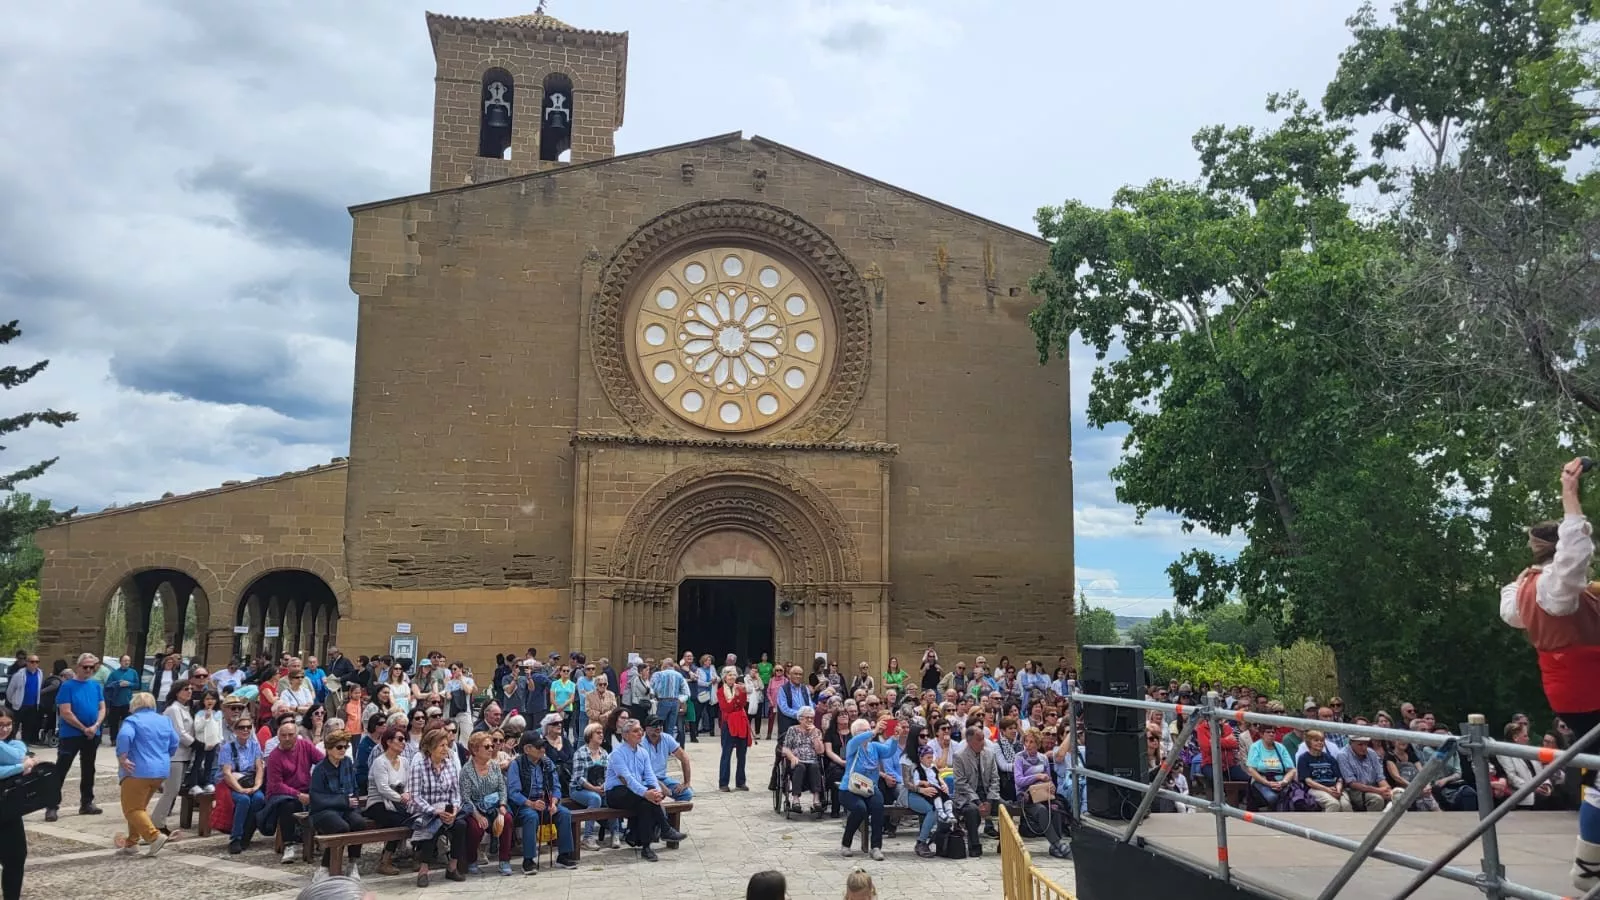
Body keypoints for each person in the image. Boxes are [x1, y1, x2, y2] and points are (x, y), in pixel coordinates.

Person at [1500, 458, 1600, 891]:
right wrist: (1569, 493)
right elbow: (1575, 553)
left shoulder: (1524, 588)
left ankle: (1590, 864)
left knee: (1597, 770)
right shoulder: (1556, 588)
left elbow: (1511, 611)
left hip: (1569, 690)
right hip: (1590, 687)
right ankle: (1588, 866)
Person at [603, 718, 686, 862]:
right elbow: (627, 779)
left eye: (640, 730)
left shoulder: (642, 752)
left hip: (636, 792)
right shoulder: (617, 754)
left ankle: (646, 847)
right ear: (625, 735)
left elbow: (650, 775)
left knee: (646, 804)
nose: (640, 733)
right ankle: (665, 829)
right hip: (616, 793)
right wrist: (646, 793)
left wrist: (656, 791)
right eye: (635, 731)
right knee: (646, 799)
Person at [114, 692, 179, 857]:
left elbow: (124, 735)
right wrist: (166, 755)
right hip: (160, 770)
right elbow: (175, 741)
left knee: (132, 809)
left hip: (137, 770)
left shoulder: (133, 721)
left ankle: (154, 836)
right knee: (139, 807)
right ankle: (132, 843)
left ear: (134, 705)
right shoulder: (164, 720)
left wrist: (122, 756)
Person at [507, 731, 578, 873]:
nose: (543, 749)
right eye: (539, 746)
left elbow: (556, 786)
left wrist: (554, 802)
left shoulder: (547, 762)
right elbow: (513, 793)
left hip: (546, 802)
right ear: (527, 749)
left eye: (543, 746)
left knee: (564, 813)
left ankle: (564, 856)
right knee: (531, 816)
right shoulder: (516, 764)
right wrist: (531, 804)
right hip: (525, 805)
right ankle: (528, 860)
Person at [47, 652, 105, 822]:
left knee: (89, 768)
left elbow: (102, 708)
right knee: (61, 769)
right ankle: (51, 805)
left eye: (91, 667)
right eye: (85, 667)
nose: (88, 670)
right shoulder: (67, 686)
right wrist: (83, 728)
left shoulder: (95, 686)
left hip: (92, 733)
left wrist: (95, 726)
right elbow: (65, 712)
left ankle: (87, 802)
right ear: (78, 667)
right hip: (71, 734)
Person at [308, 729, 370, 873]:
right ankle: (325, 867)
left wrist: (354, 806)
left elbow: (354, 788)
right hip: (323, 811)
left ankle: (353, 864)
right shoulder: (320, 769)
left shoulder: (347, 763)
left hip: (345, 809)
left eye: (345, 747)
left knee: (359, 823)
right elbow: (317, 799)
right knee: (341, 827)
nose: (343, 750)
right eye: (339, 747)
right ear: (329, 749)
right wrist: (344, 801)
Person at [263, 720, 325, 863]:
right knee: (288, 805)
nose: (287, 738)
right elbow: (276, 785)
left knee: (324, 799)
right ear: (278, 737)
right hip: (282, 793)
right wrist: (298, 795)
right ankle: (289, 845)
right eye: (283, 735)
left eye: (290, 735)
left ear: (296, 735)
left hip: (305, 788)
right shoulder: (274, 756)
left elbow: (322, 762)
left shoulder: (305, 746)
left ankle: (320, 838)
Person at [458, 731, 514, 876]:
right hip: (475, 809)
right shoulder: (466, 770)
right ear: (475, 750)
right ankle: (472, 860)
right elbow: (465, 798)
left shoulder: (495, 766)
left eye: (491, 746)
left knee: (507, 819)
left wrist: (502, 805)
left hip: (494, 806)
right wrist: (477, 815)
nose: (491, 749)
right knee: (475, 828)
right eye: (487, 746)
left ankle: (504, 860)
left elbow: (502, 788)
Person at [363, 723, 410, 876]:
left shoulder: (405, 761)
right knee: (397, 821)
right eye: (400, 739)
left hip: (398, 801)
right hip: (378, 803)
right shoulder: (380, 762)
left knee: (416, 817)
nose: (404, 742)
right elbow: (383, 788)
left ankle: (418, 856)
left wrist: (407, 794)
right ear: (389, 741)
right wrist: (401, 798)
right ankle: (385, 860)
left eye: (405, 739)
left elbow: (408, 783)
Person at [0, 705, 36, 900]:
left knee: (16, 856)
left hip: (8, 808)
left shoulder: (15, 744)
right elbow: (19, 759)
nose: (5, 729)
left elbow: (19, 752)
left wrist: (18, 763)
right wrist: (20, 766)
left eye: (8, 724)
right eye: (0, 725)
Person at [839, 717, 887, 860]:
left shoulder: (874, 746)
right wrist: (874, 731)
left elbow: (889, 751)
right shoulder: (852, 744)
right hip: (849, 788)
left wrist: (895, 738)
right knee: (860, 808)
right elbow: (858, 740)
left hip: (869, 787)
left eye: (869, 729)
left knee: (878, 806)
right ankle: (846, 844)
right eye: (864, 730)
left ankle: (876, 847)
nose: (868, 732)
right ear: (856, 733)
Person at [152, 680, 197, 827]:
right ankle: (157, 822)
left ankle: (159, 821)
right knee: (171, 791)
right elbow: (180, 732)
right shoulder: (173, 709)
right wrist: (195, 743)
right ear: (177, 692)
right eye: (186, 689)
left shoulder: (186, 708)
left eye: (190, 689)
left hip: (185, 754)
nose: (189, 691)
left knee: (173, 790)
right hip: (175, 755)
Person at [715, 665, 751, 791]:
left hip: (741, 722)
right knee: (727, 753)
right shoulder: (720, 691)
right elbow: (726, 708)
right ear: (724, 677)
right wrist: (736, 697)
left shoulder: (739, 688)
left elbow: (742, 704)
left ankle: (740, 782)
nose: (732, 677)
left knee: (742, 754)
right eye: (730, 675)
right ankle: (723, 783)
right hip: (728, 723)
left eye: (734, 675)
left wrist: (741, 694)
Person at [5, 655, 44, 746]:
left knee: (28, 727)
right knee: (15, 726)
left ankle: (25, 745)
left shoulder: (40, 673)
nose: (34, 664)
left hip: (33, 705)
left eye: (37, 662)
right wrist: (14, 701)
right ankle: (10, 744)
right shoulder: (19, 675)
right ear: (27, 663)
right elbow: (10, 690)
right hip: (20, 705)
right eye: (32, 662)